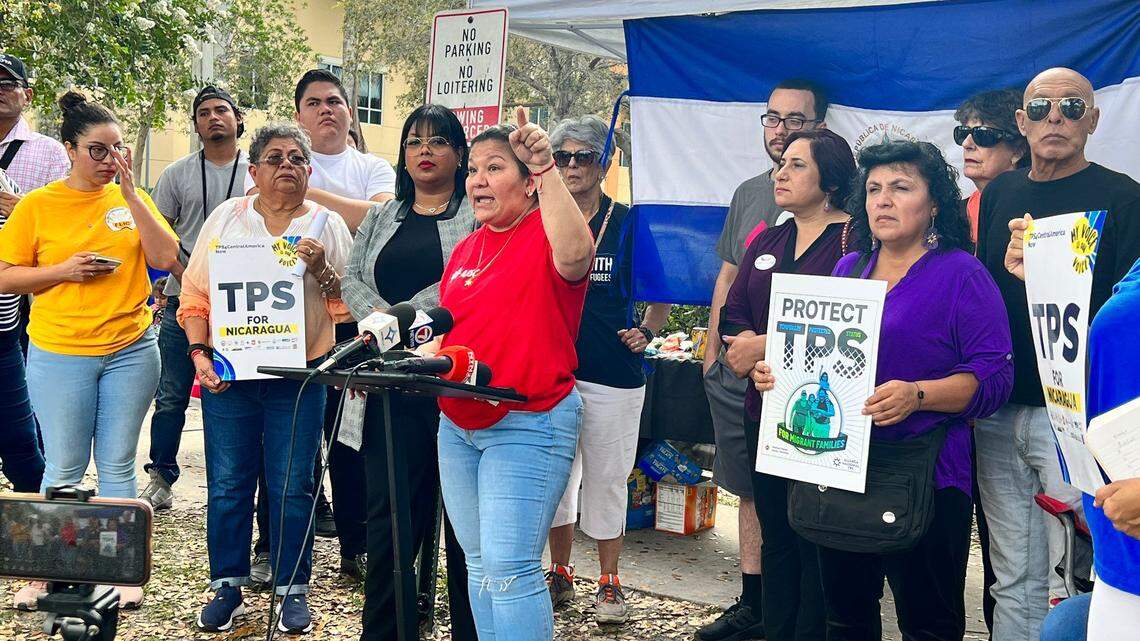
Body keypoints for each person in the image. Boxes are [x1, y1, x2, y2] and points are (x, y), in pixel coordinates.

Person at [752, 140, 1014, 641]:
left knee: (929, 625)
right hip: (838, 468)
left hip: (927, 476)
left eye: (900, 187)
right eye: (873, 189)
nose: (883, 201)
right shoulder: (847, 270)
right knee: (845, 620)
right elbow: (814, 364)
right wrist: (777, 377)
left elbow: (995, 378)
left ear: (935, 201)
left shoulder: (963, 275)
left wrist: (919, 394)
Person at [975, 67, 1140, 641]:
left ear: (1093, 121)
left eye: (1072, 108)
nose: (1055, 119)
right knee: (1009, 570)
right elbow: (985, 295)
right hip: (999, 405)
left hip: (1075, 418)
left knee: (1076, 571)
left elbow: (1126, 318)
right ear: (1020, 122)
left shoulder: (1123, 197)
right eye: (1041, 107)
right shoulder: (999, 193)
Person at [0, 90, 179, 610]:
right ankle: (48, 570)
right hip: (59, 352)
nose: (110, 160)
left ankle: (120, 573)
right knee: (64, 464)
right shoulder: (38, 205)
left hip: (130, 347)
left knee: (119, 462)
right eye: (97, 151)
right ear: (69, 150)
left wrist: (132, 194)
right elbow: (6, 275)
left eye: (118, 149)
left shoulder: (130, 197)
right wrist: (63, 271)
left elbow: (167, 257)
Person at [179, 123, 353, 634]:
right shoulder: (226, 220)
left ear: (308, 171)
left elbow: (345, 307)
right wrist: (197, 351)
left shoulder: (328, 225)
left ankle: (292, 589)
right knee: (229, 484)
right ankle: (226, 587)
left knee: (293, 486)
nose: (287, 166)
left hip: (297, 378)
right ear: (253, 172)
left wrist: (321, 271)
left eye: (297, 158)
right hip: (230, 375)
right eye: (275, 157)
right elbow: (196, 295)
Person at [433, 108, 593, 641]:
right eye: (473, 169)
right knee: (478, 565)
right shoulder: (465, 248)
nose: (477, 179)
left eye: (494, 168)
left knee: (510, 567)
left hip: (529, 420)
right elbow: (456, 329)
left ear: (529, 184)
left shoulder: (545, 234)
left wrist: (548, 166)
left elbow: (577, 255)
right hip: (457, 425)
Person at [245, 68, 397, 565]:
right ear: (298, 114)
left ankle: (357, 547)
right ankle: (276, 547)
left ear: (350, 111)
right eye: (313, 102)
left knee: (350, 442)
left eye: (335, 100)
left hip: (351, 324)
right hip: (277, 329)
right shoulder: (275, 163)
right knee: (286, 444)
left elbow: (375, 217)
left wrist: (297, 191)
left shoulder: (372, 167)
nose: (325, 109)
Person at [340, 104, 477, 641]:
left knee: (462, 526)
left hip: (452, 380)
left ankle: (469, 628)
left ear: (459, 154)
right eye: (415, 140)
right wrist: (383, 323)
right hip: (387, 385)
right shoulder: (382, 215)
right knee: (391, 517)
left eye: (438, 141)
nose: (424, 150)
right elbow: (351, 277)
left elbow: (463, 281)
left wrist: (397, 318)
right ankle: (387, 631)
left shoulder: (474, 214)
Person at [699, 78, 828, 641]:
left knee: (808, 522)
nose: (781, 133)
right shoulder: (753, 193)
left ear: (821, 125)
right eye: (773, 120)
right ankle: (758, 604)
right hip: (746, 385)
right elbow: (730, 280)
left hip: (816, 404)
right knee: (754, 496)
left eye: (795, 121)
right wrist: (715, 350)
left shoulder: (853, 234)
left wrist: (767, 346)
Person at [720, 128, 855, 641]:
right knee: (776, 536)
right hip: (766, 413)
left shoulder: (855, 240)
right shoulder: (768, 239)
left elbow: (858, 327)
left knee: (817, 540)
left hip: (826, 421)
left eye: (798, 165)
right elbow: (734, 318)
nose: (781, 171)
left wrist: (769, 345)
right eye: (783, 163)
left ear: (831, 180)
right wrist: (745, 352)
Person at [544, 115, 670, 624]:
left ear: (605, 163)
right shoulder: (542, 215)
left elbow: (662, 283)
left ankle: (610, 580)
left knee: (607, 480)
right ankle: (559, 571)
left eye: (584, 157)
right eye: (562, 157)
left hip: (613, 371)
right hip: (551, 370)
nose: (572, 166)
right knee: (555, 478)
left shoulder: (627, 222)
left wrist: (650, 330)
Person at [140, 85, 249, 512]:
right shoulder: (176, 173)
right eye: (203, 112)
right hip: (182, 298)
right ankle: (161, 475)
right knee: (171, 393)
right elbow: (159, 237)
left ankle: (233, 477)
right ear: (196, 124)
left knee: (238, 391)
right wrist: (183, 278)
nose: (213, 118)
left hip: (243, 301)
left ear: (238, 119)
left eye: (222, 109)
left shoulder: (255, 172)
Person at [952, 86, 1028, 633]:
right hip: (961, 396)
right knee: (975, 535)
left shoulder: (1029, 206)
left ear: (1018, 146)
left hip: (1027, 395)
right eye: (963, 134)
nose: (971, 144)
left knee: (1034, 549)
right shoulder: (953, 213)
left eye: (985, 135)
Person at [954, 88, 1029, 243]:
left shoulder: (1036, 209)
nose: (967, 144)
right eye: (963, 133)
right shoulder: (951, 215)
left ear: (1018, 151)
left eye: (982, 134)